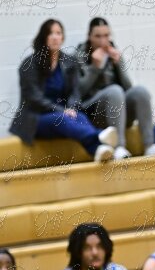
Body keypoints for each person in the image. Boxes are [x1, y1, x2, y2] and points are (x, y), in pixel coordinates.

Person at [10, 19, 117, 163]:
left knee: (80, 117)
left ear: (63, 37)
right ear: (43, 37)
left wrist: (71, 108)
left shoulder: (69, 61)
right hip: (35, 118)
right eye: (50, 33)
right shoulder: (29, 64)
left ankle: (99, 150)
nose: (55, 37)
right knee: (62, 119)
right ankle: (99, 136)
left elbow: (74, 92)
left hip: (63, 114)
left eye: (58, 33)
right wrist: (61, 110)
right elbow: (34, 99)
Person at [77, 17, 155, 159]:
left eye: (106, 35)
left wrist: (118, 64)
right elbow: (78, 92)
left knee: (140, 92)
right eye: (98, 36)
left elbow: (128, 88)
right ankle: (118, 147)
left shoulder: (114, 51)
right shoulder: (79, 55)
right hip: (93, 114)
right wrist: (95, 68)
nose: (103, 41)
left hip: (118, 112)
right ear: (89, 37)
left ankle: (150, 146)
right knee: (115, 90)